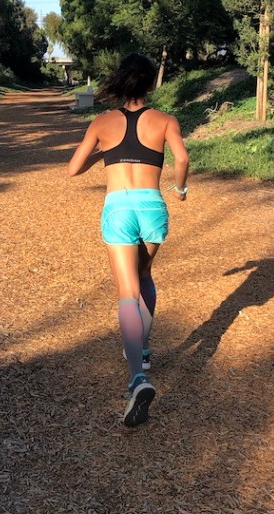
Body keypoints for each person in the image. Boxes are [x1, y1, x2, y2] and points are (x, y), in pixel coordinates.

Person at [67, 53, 189, 428]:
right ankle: (144, 349)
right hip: (153, 206)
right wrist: (180, 187)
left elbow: (72, 169)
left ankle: (138, 379)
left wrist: (106, 152)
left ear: (119, 82)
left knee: (126, 291)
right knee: (146, 279)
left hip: (119, 209)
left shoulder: (101, 122)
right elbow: (182, 158)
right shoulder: (165, 120)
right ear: (151, 84)